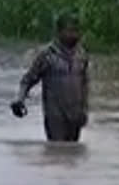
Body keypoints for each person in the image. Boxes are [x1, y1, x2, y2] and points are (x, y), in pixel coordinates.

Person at [10, 12, 89, 142]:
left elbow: (84, 85)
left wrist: (85, 110)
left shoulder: (82, 55)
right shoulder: (47, 55)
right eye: (69, 31)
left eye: (76, 31)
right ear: (59, 32)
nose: (74, 35)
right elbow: (28, 80)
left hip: (75, 115)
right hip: (55, 116)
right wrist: (20, 100)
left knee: (73, 155)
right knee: (57, 154)